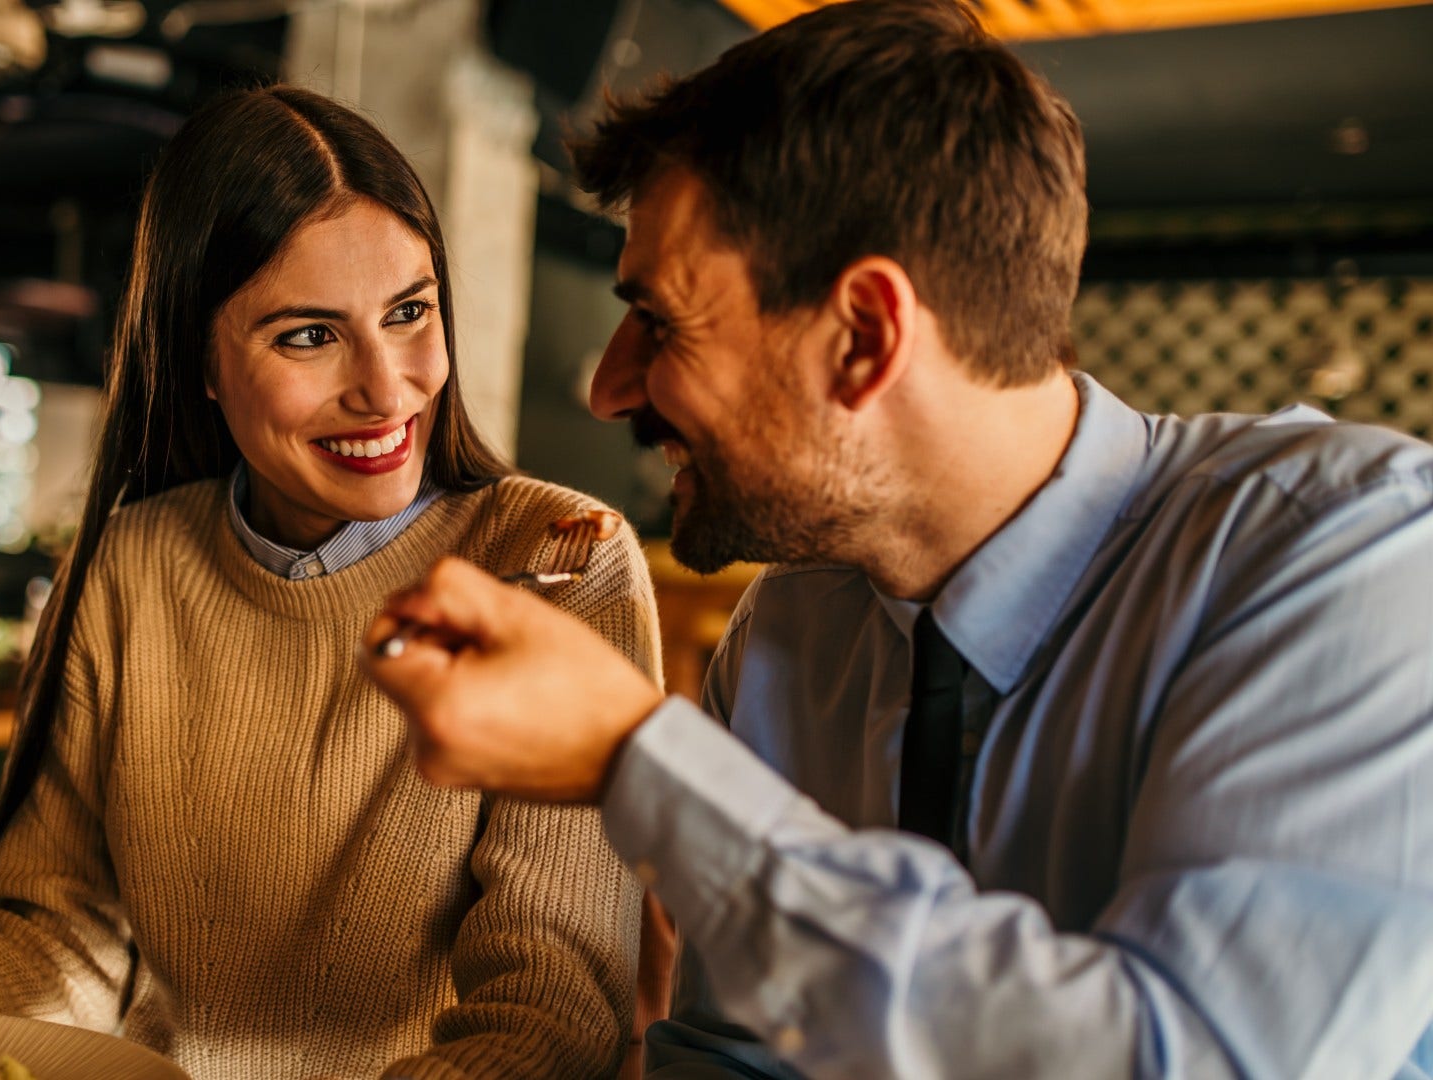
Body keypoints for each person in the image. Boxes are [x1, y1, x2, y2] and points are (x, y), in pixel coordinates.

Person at [360, 1, 1433, 1076]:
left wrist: (639, 766)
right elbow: (736, 1061)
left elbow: (1185, 1058)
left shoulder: (1353, 555)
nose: (606, 389)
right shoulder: (791, 628)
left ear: (866, 335)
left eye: (663, 323)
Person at [0, 85, 660, 1080]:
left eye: (410, 313)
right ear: (198, 359)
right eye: (308, 336)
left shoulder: (559, 555)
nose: (388, 390)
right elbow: (68, 946)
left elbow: (551, 1011)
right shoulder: (132, 562)